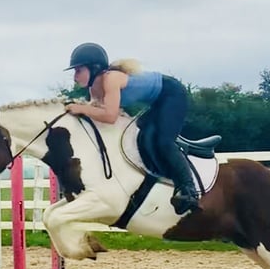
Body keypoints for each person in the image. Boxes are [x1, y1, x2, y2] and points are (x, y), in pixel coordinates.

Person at [63, 42, 201, 215]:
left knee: (162, 141)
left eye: (78, 71)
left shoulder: (110, 79)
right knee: (145, 138)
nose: (75, 77)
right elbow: (97, 115)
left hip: (172, 94)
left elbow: (110, 116)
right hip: (157, 101)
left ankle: (189, 190)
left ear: (94, 68)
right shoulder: (95, 89)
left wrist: (81, 108)